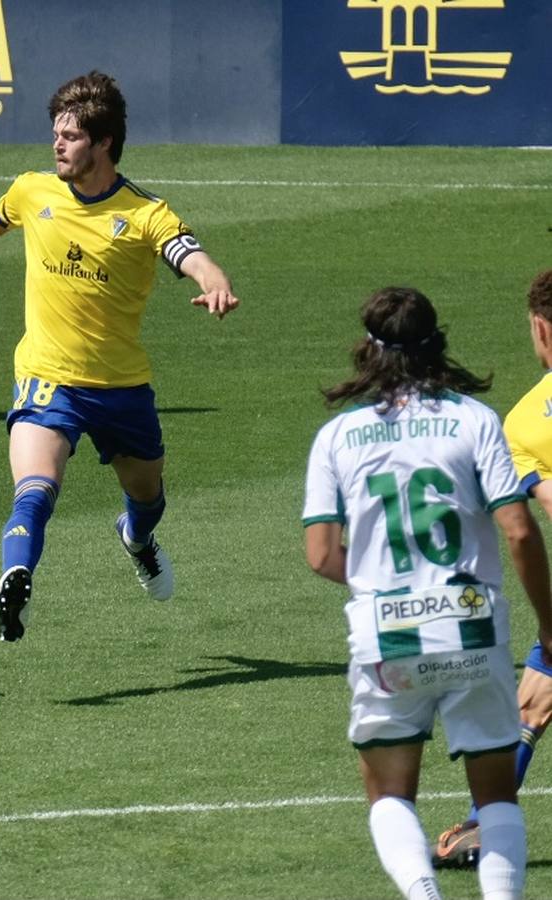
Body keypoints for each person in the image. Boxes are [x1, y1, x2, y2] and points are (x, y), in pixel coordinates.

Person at [0, 71, 238, 641]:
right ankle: (16, 577)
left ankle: (136, 537)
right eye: (55, 133)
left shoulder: (144, 213)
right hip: (46, 379)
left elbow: (189, 253)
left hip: (122, 389)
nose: (58, 144)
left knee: (148, 497)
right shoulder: (35, 190)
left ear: (104, 143)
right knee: (34, 490)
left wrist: (215, 280)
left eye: (72, 136)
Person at [302, 286, 552, 900]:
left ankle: (422, 893)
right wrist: (549, 624)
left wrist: (388, 584)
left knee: (390, 795)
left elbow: (321, 555)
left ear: (367, 349)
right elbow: (519, 530)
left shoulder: (338, 436)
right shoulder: (476, 420)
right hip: (469, 624)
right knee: (495, 795)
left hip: (387, 634)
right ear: (436, 342)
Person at [432, 269, 552, 869]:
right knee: (537, 695)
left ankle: (486, 822)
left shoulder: (528, 422)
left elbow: (538, 513)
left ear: (540, 330)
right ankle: (485, 822)